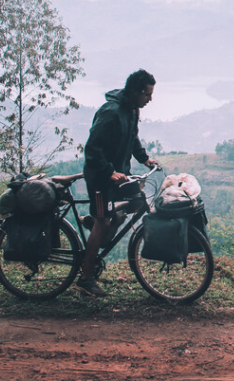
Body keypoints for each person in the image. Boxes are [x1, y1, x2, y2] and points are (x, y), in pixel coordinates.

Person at [75, 69, 160, 297]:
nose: (150, 99)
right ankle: (85, 279)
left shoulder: (132, 110)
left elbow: (132, 138)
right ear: (135, 91)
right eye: (147, 94)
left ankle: (93, 220)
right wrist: (108, 171)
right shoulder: (111, 112)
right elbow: (92, 149)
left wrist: (144, 158)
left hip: (120, 175)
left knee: (136, 201)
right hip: (101, 179)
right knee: (103, 223)